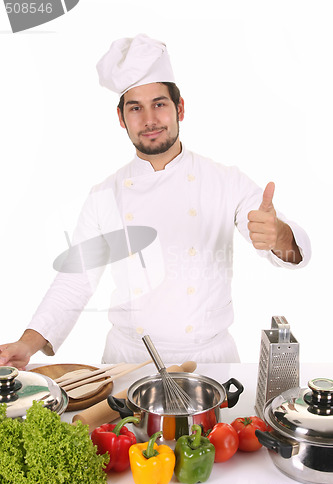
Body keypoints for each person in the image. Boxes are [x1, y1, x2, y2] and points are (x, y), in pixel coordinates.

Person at [0, 34, 311, 369]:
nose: (149, 120)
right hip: (129, 363)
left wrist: (278, 235)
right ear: (121, 119)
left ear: (179, 108)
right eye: (136, 108)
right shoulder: (105, 194)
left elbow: (290, 250)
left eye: (159, 104)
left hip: (209, 362)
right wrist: (27, 343)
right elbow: (76, 280)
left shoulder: (226, 181)